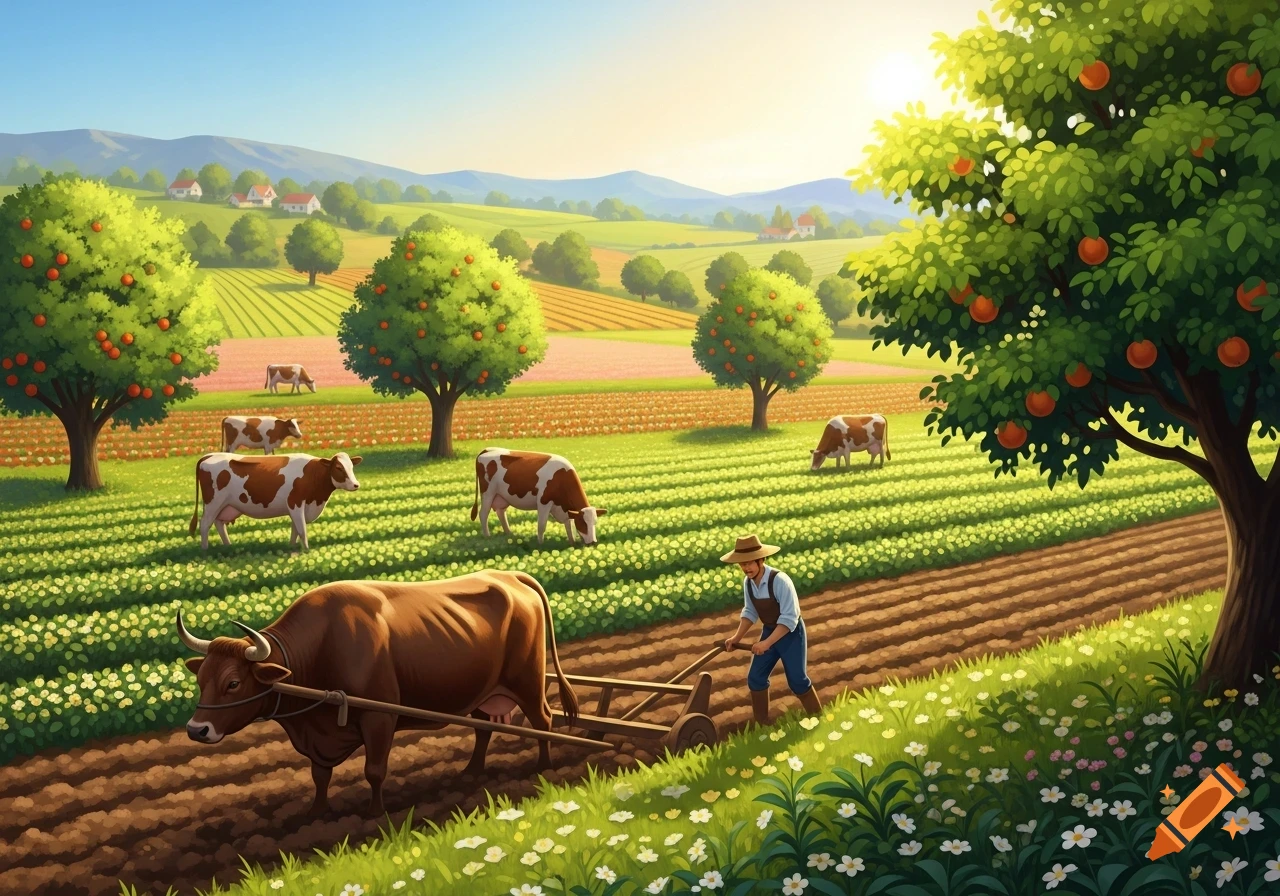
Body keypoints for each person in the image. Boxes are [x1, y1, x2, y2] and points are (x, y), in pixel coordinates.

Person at [720, 534, 821, 725]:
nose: (746, 568)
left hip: (790, 634)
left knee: (797, 680)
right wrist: (736, 637)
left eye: (749, 563)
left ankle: (818, 718)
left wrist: (766, 643)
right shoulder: (749, 583)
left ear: (761, 560)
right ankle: (763, 723)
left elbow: (789, 618)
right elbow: (750, 611)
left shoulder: (780, 581)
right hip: (769, 631)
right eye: (742, 564)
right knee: (755, 678)